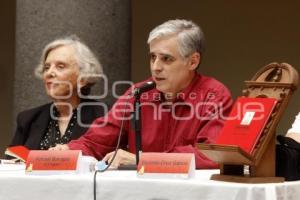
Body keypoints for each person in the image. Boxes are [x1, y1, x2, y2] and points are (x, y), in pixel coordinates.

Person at [50, 19, 233, 169]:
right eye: (152, 57)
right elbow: (96, 141)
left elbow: (211, 155)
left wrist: (142, 159)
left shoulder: (214, 95)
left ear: (193, 61)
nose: (156, 67)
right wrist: (67, 150)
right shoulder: (138, 93)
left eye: (166, 59)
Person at [9, 35, 106, 150]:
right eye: (46, 67)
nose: (49, 73)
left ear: (84, 78)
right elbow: (11, 163)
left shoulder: (104, 116)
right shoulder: (28, 119)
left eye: (60, 66)